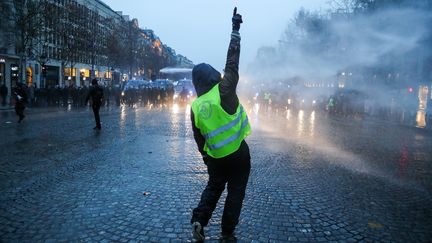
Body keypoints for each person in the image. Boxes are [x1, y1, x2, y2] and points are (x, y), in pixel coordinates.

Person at [190, 7, 251, 242]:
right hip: (239, 153)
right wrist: (235, 30)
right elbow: (232, 62)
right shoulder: (224, 89)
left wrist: (208, 159)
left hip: (215, 157)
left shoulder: (196, 106)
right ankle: (227, 233)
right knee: (235, 193)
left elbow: (199, 139)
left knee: (213, 189)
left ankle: (199, 220)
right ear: (213, 75)